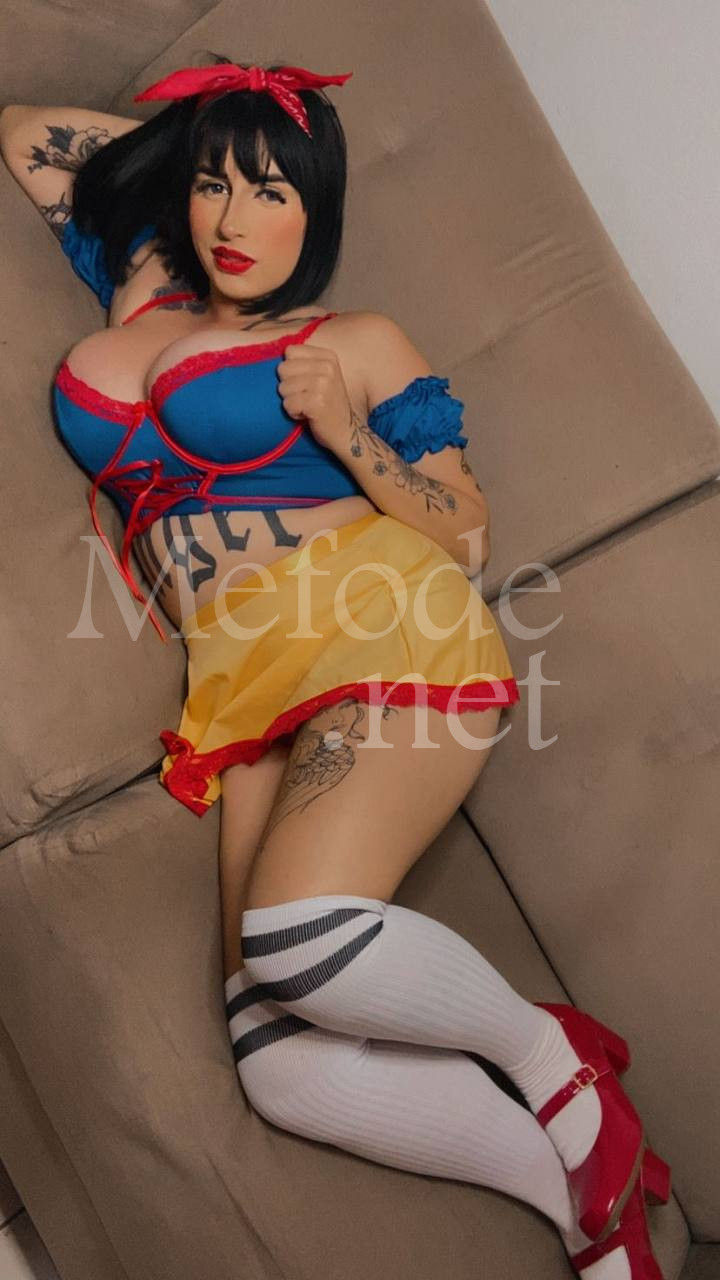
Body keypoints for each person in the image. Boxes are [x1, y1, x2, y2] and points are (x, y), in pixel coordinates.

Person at [1, 56, 670, 1278]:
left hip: (376, 622)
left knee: (299, 936)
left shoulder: (353, 341)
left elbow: (467, 533)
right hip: (240, 686)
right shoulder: (143, 283)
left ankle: (551, 1058)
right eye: (216, 184)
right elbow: (28, 132)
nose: (235, 216)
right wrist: (203, 141)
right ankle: (592, 1216)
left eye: (273, 191)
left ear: (319, 214)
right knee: (283, 1063)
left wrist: (346, 431)